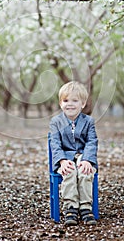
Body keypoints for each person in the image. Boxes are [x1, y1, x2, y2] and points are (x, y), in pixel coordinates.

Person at [49, 81, 98, 226]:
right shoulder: (56, 122)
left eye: (74, 100)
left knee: (85, 171)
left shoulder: (89, 121)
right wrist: (62, 161)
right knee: (69, 171)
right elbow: (55, 144)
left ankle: (85, 207)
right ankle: (71, 207)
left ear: (82, 104)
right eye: (65, 100)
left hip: (84, 157)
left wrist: (88, 160)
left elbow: (92, 141)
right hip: (65, 159)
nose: (69, 104)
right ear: (60, 103)